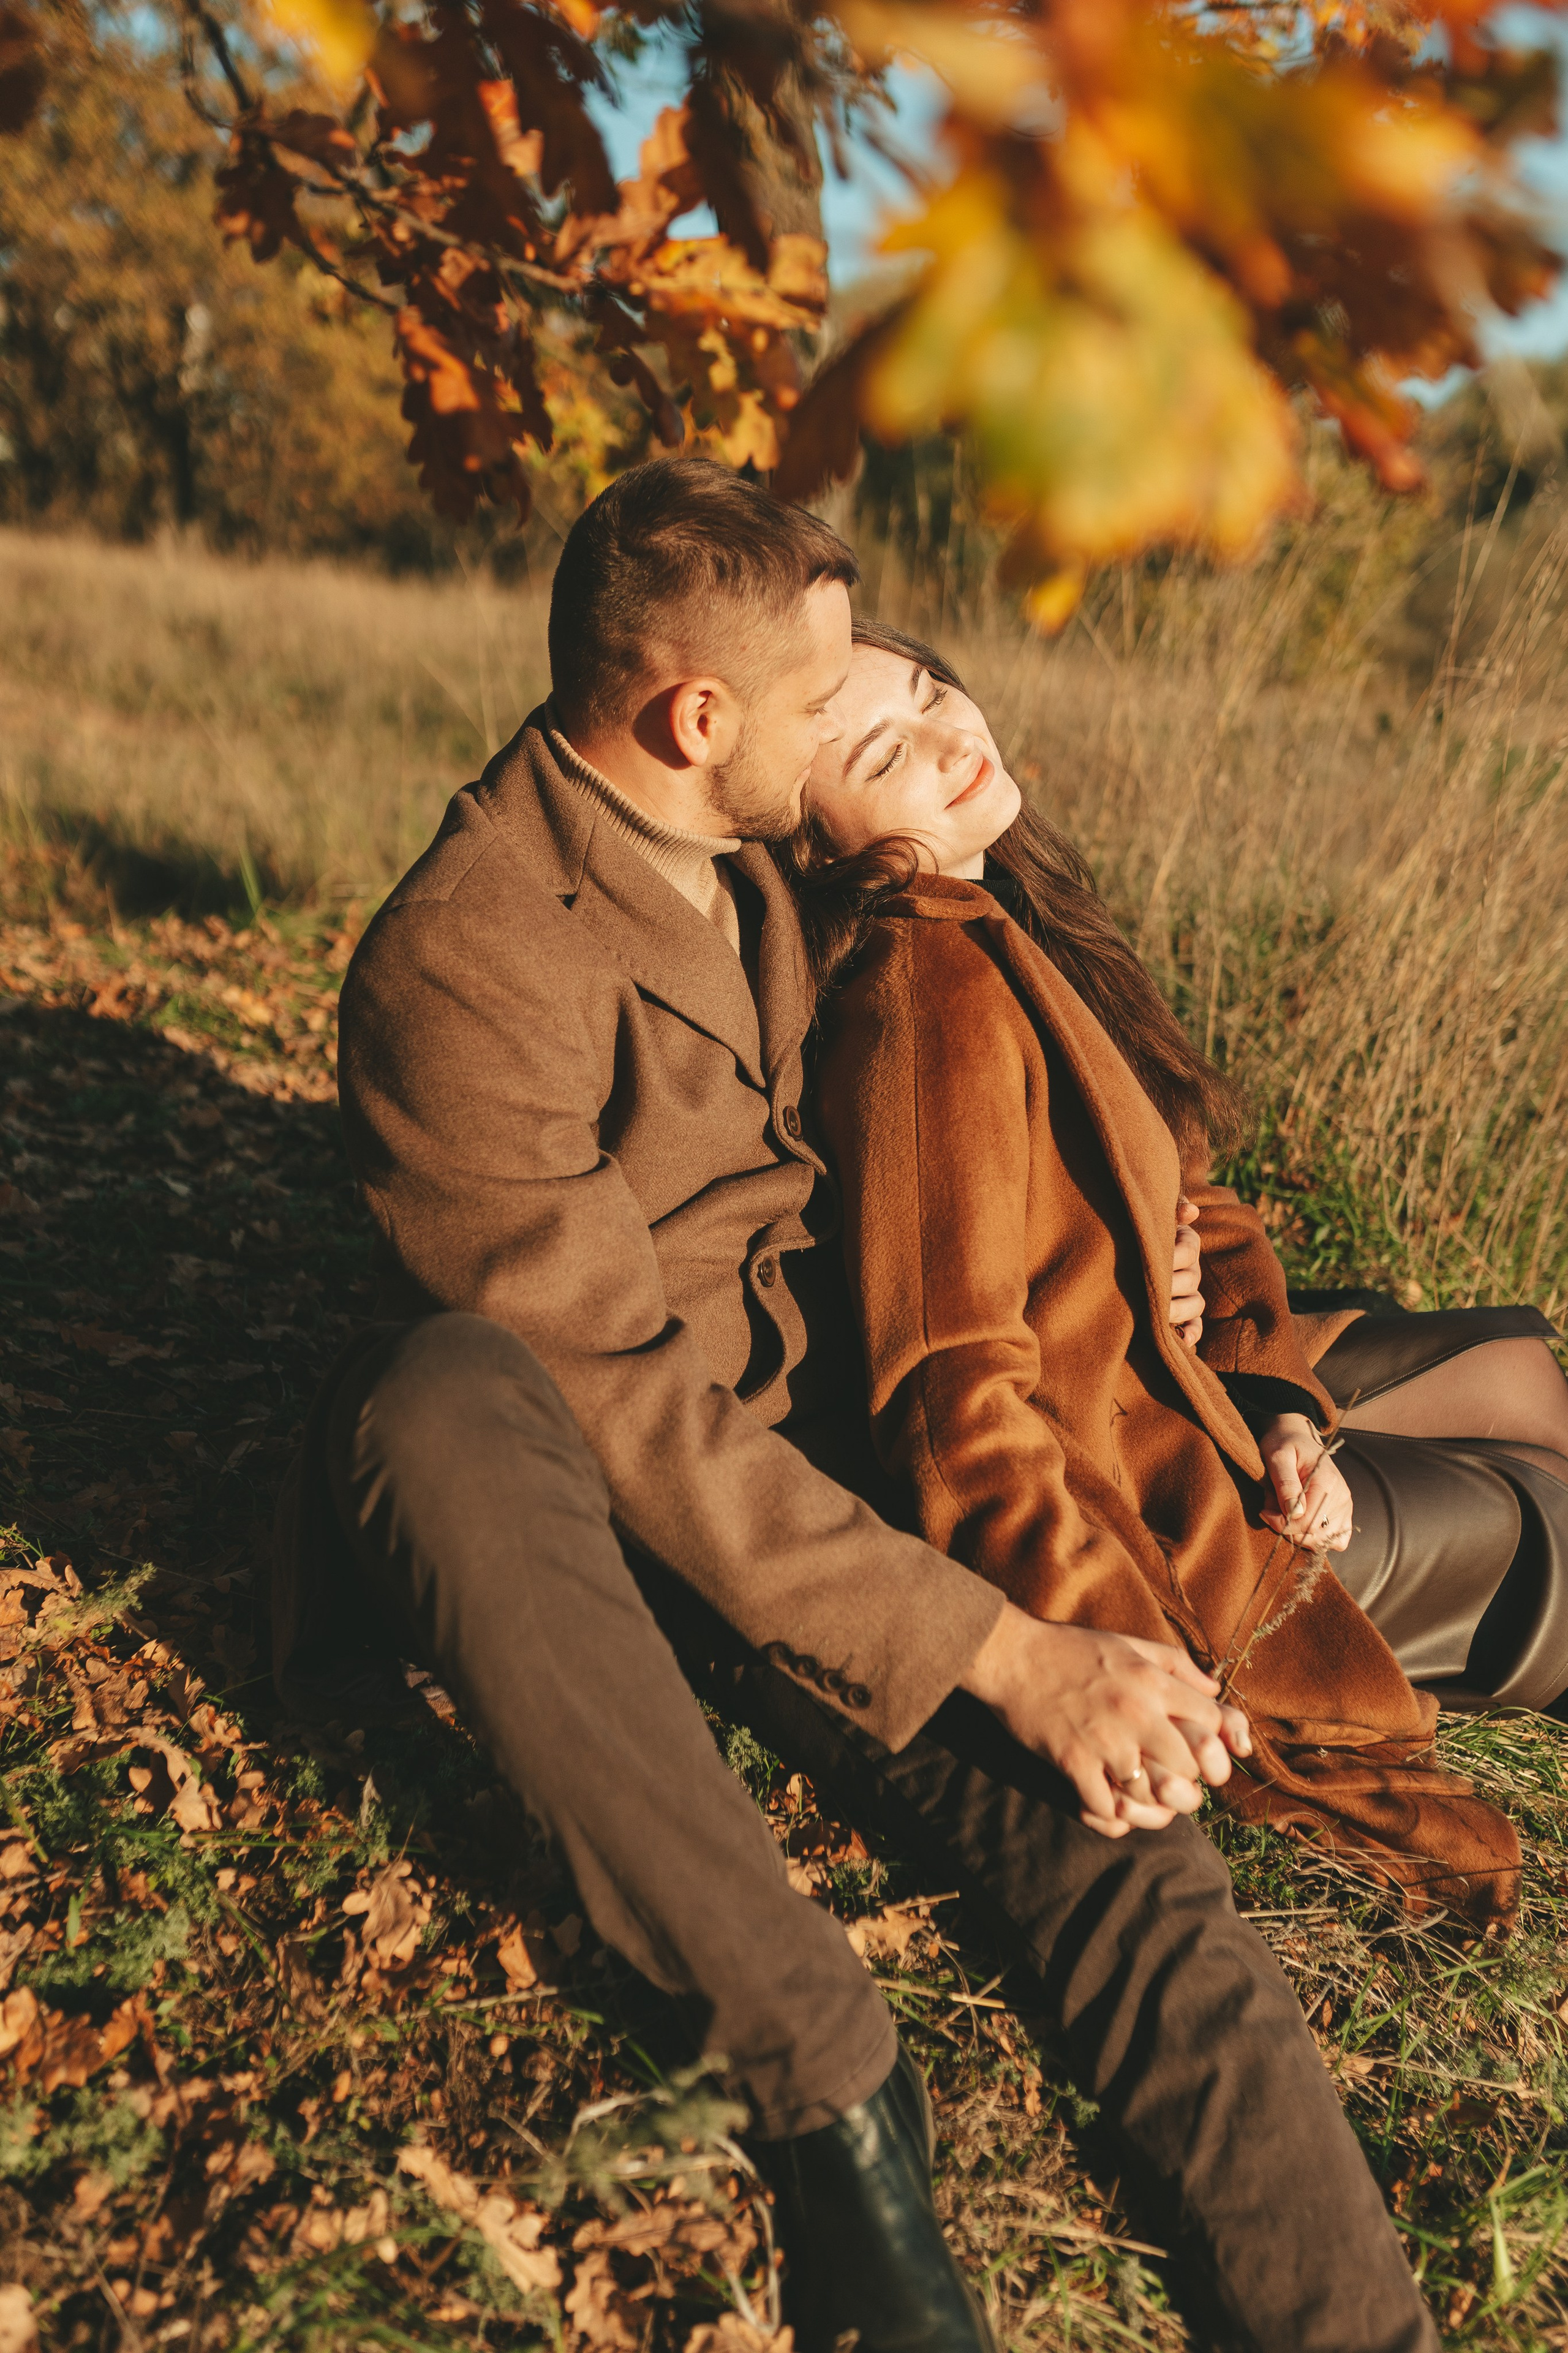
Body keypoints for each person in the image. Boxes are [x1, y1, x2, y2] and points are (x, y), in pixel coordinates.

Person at [274, 458, 1445, 2353]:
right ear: (699, 717)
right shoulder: (462, 959)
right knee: (436, 1396)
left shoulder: (762, 861)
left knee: (1141, 1881)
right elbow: (630, 1408)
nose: (872, 726)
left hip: (851, 1466)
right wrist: (996, 1647)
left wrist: (1148, 1253)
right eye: (831, 703)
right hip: (603, 1516)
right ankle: (826, 2089)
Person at [795, 616, 1568, 1921]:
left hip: (1197, 1386)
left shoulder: (1008, 909)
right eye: (887, 750)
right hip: (1159, 1503)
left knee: (1514, 1377)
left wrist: (1277, 1406)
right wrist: (1110, 1649)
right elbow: (950, 1391)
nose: (948, 737)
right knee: (1548, 1518)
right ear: (822, 850)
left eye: (931, 691)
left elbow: (1191, 1201)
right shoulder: (921, 993)